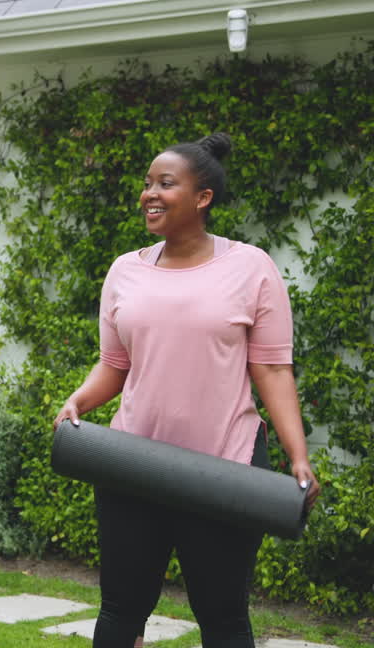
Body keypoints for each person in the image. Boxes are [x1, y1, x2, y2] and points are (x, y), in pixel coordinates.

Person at [52, 133, 321, 648]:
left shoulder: (251, 267)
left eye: (166, 184)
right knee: (120, 612)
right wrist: (81, 400)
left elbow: (272, 370)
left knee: (222, 618)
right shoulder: (125, 270)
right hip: (133, 466)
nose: (150, 193)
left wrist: (297, 455)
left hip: (223, 469)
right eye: (148, 183)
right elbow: (115, 364)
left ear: (203, 199)